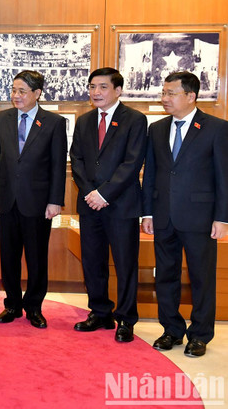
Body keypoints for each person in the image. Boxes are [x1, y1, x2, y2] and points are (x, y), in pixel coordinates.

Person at [142, 71, 228, 357]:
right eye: (163, 92)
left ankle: (200, 334)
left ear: (191, 96)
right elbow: (151, 174)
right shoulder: (156, 129)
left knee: (201, 277)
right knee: (165, 275)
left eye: (171, 93)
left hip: (200, 217)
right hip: (163, 215)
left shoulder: (216, 128)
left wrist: (222, 217)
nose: (164, 98)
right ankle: (171, 330)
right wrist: (147, 213)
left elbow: (223, 177)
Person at [69, 67, 147, 343]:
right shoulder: (84, 120)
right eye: (92, 87)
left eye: (102, 87)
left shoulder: (135, 120)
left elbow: (132, 162)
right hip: (89, 204)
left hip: (121, 205)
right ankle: (100, 312)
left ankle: (126, 318)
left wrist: (105, 193)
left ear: (118, 90)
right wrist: (91, 193)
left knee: (125, 263)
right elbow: (76, 159)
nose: (96, 92)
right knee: (92, 261)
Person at [0, 70, 67, 329]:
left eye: (22, 91)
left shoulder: (53, 123)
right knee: (8, 256)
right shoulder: (0, 119)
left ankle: (34, 307)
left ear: (37, 93)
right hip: (7, 200)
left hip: (38, 202)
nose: (16, 96)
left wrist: (55, 200)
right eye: (13, 90)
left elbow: (57, 165)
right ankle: (11, 304)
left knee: (36, 257)